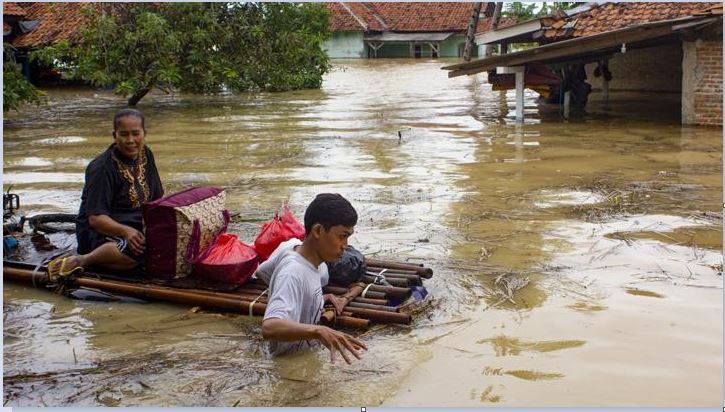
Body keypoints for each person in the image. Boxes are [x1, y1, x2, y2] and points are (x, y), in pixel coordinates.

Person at [47, 109, 164, 278]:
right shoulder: (101, 168)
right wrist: (126, 232)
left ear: (144, 133)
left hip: (136, 224)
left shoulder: (146, 154)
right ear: (114, 135)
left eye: (135, 134)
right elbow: (96, 219)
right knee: (138, 253)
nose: (130, 140)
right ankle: (84, 260)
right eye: (124, 134)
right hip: (101, 231)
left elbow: (157, 198)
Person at [262, 193, 367, 364]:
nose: (345, 246)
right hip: (286, 366)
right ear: (318, 230)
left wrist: (316, 298)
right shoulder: (292, 272)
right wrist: (318, 331)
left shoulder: (316, 265)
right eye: (342, 236)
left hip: (302, 359)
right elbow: (270, 326)